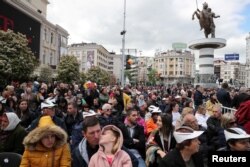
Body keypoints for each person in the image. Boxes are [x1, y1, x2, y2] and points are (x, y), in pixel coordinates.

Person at [72, 116, 138, 167]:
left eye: (98, 131)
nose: (97, 136)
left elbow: (134, 161)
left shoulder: (110, 143)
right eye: (92, 133)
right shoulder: (78, 153)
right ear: (84, 134)